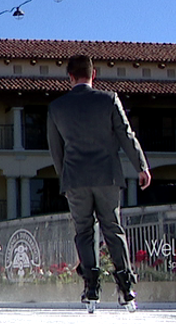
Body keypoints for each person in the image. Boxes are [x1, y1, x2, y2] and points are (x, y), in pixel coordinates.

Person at [47, 53, 152, 309]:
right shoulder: (109, 100)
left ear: (69, 77)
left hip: (75, 178)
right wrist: (141, 166)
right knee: (112, 228)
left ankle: (91, 287)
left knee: (84, 231)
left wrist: (65, 177)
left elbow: (55, 149)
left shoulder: (57, 107)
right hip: (107, 175)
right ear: (94, 74)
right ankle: (126, 288)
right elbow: (126, 135)